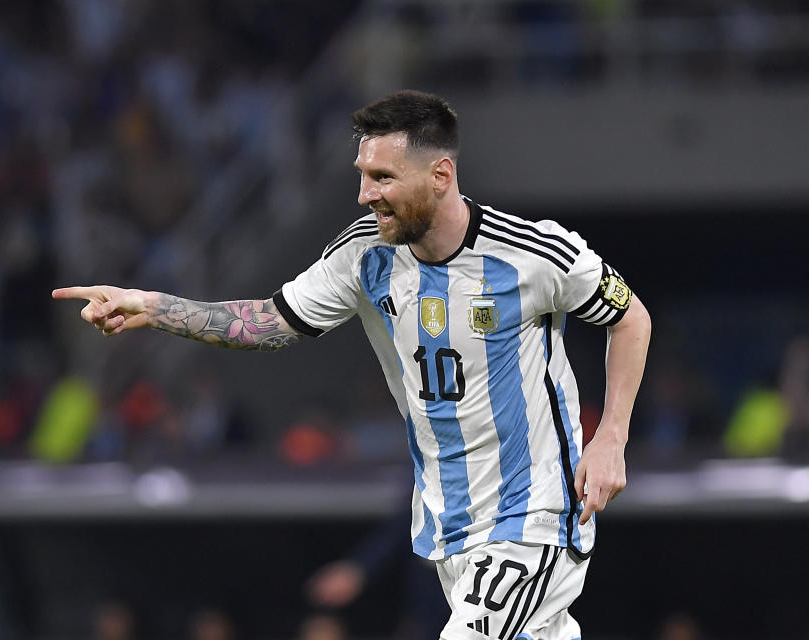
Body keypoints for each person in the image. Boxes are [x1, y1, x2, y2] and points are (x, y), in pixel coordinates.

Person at [53, 90, 651, 639]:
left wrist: (612, 439)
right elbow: (266, 324)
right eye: (363, 176)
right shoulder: (364, 258)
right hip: (449, 522)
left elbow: (631, 318)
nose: (366, 193)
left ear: (440, 175)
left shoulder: (534, 254)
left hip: (534, 514)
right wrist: (154, 307)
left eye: (383, 177)